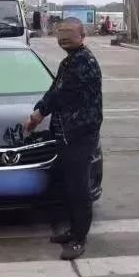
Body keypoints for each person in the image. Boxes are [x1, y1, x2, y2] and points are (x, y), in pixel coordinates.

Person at [23, 17, 103, 260]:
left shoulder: (84, 63)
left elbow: (59, 95)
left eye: (69, 32)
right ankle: (72, 230)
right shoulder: (69, 61)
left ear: (82, 36)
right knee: (69, 185)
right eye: (61, 33)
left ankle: (79, 238)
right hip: (66, 134)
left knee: (79, 187)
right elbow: (54, 89)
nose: (64, 37)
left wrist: (38, 114)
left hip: (80, 134)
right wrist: (39, 110)